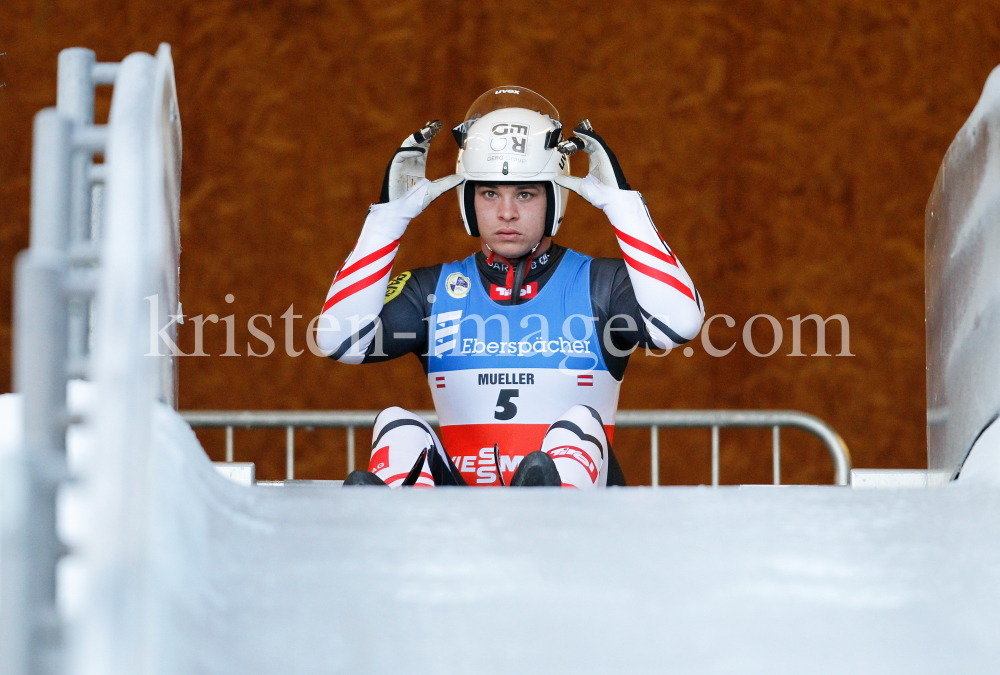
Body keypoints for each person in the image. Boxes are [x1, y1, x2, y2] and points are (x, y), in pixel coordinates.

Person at [317, 86, 704, 488]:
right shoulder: (434, 290)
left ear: (556, 199)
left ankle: (544, 519)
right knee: (397, 427)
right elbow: (339, 341)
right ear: (468, 201)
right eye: (488, 193)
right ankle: (406, 542)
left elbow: (677, 324)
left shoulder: (600, 284)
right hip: (464, 524)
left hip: (581, 531)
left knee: (578, 424)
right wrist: (387, 220)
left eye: (525, 193)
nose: (506, 212)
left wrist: (623, 206)